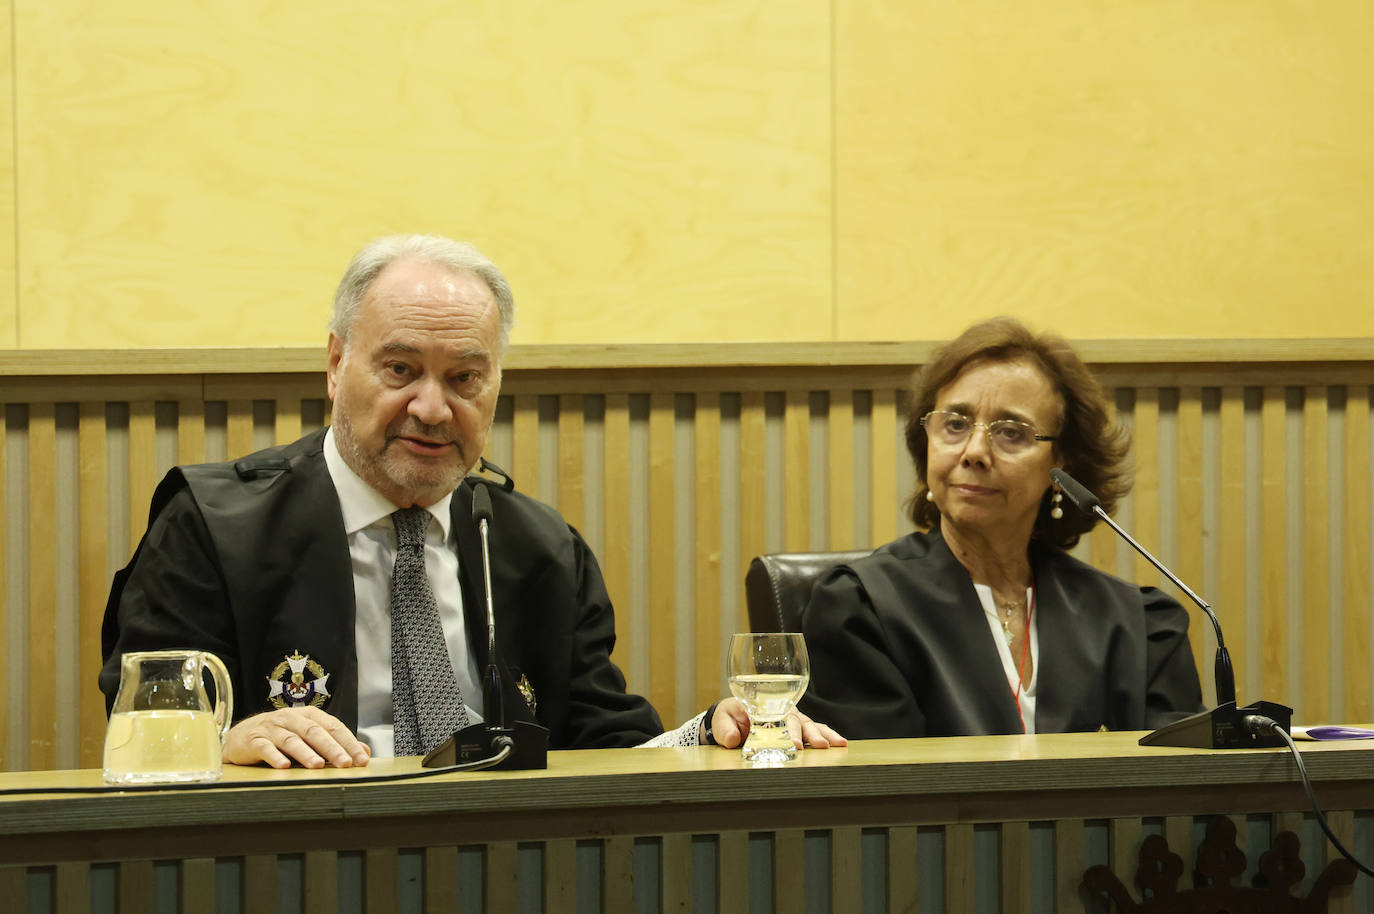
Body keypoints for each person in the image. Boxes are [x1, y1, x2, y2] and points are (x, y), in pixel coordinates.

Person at [100, 234, 844, 767]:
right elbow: (141, 719)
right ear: (335, 366)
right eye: (400, 369)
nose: (432, 407)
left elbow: (605, 748)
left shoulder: (536, 547)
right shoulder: (213, 523)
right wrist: (223, 741)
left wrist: (706, 734)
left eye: (464, 379)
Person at [798, 317, 1203, 738]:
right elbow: (881, 791)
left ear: (1060, 462)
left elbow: (1186, 790)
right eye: (955, 424)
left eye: (1011, 432)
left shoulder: (1138, 626)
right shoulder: (863, 609)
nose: (974, 452)